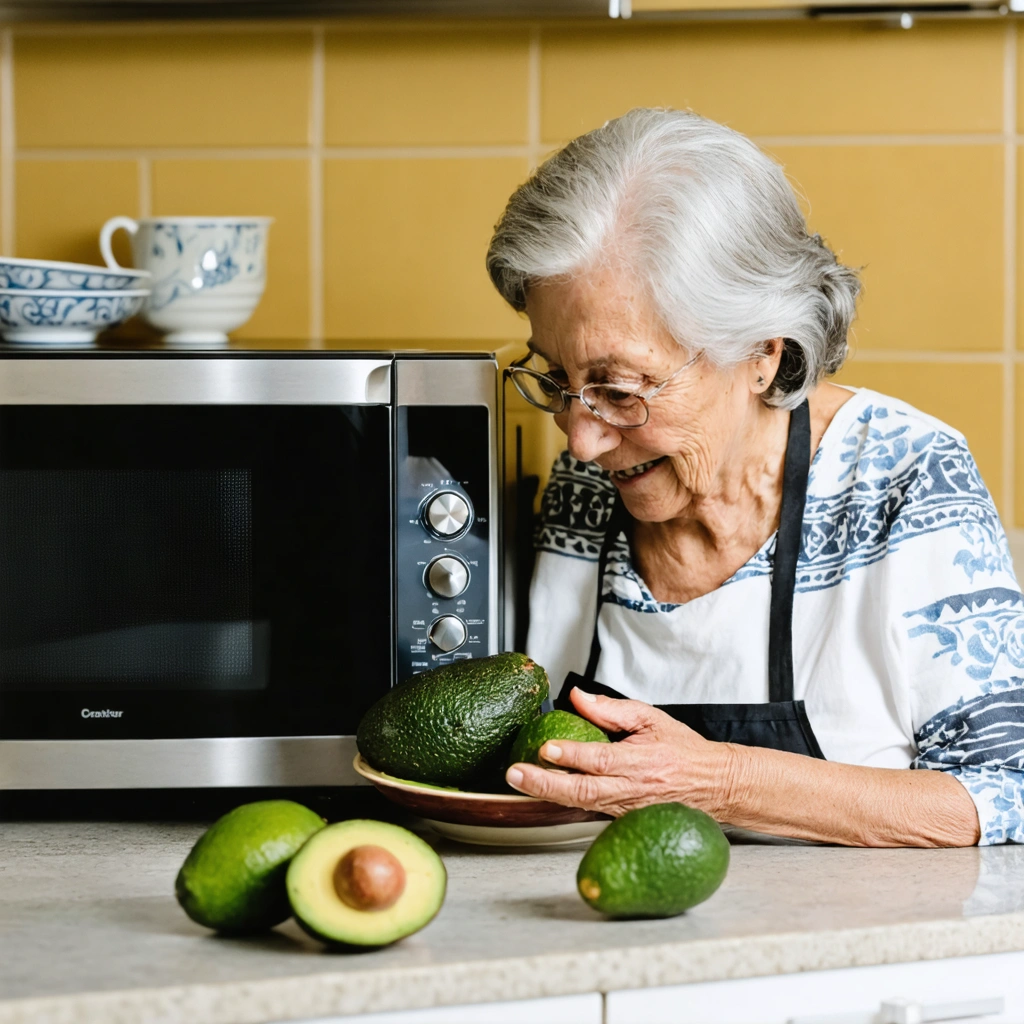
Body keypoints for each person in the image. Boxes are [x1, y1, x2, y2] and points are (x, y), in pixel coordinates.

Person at [487, 108, 1024, 847]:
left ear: (762, 353)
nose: (581, 442)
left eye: (622, 387)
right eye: (558, 379)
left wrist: (722, 784)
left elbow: (1005, 796)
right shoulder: (590, 484)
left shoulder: (904, 476)